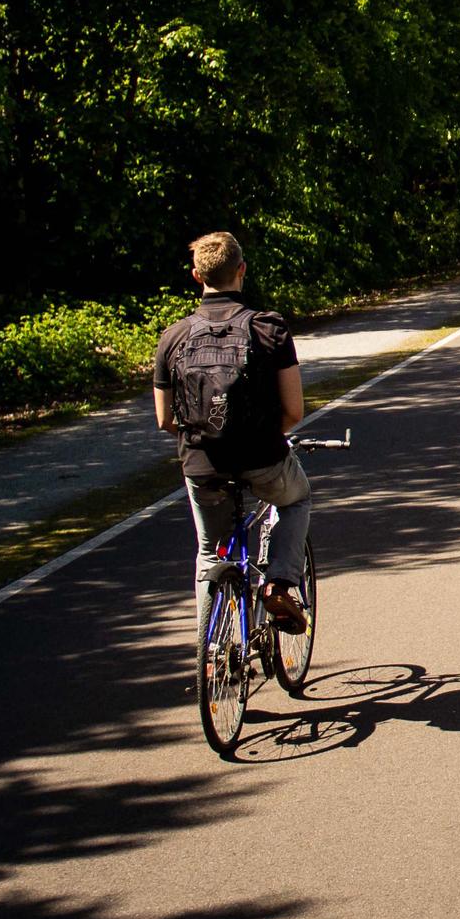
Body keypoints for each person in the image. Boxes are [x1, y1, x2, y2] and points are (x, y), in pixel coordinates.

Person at [152, 232, 311, 632]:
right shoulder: (268, 328)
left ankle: (208, 646)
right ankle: (279, 583)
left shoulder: (172, 337)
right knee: (296, 500)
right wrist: (265, 437)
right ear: (241, 269)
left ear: (195, 275)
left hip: (202, 464)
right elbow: (293, 410)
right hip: (262, 458)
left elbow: (164, 420)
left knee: (209, 551)